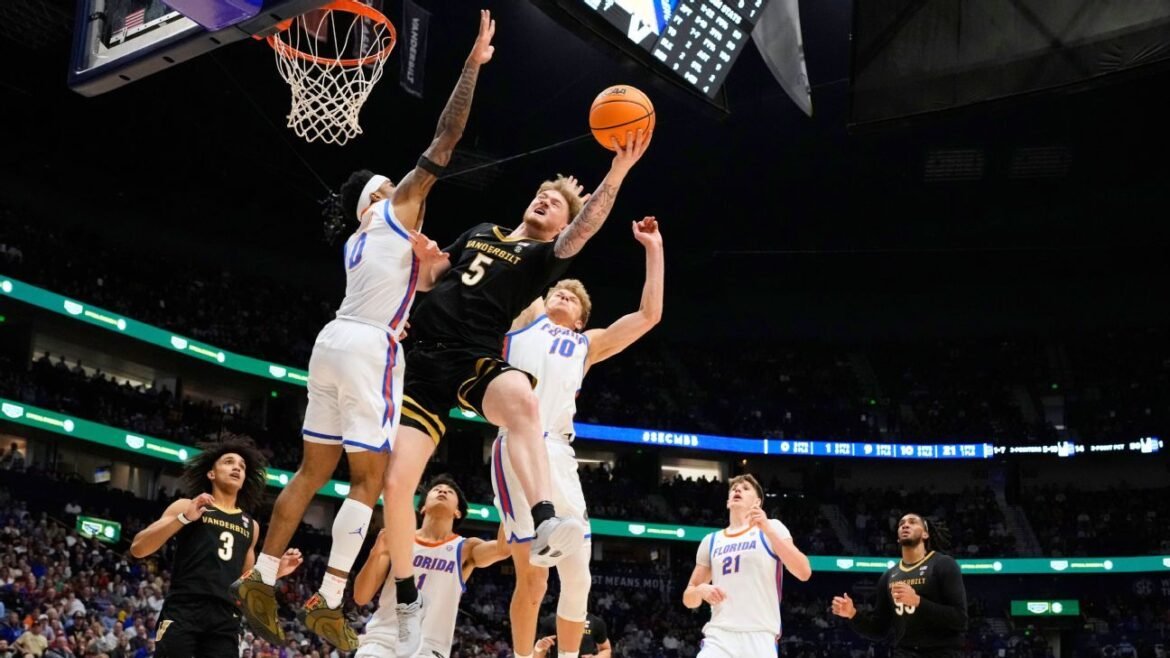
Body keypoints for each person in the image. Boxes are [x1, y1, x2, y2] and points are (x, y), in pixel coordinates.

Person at [230, 9, 497, 652]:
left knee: (308, 472)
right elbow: (447, 137)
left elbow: (420, 281)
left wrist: (430, 266)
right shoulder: (395, 211)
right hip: (371, 346)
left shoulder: (360, 240)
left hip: (330, 343)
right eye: (392, 185)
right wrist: (471, 64)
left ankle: (260, 578)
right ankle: (328, 597)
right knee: (370, 482)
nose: (406, 187)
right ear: (381, 196)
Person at [382, 107, 652, 657]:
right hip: (422, 358)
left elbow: (588, 229)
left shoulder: (541, 262)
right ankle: (406, 596)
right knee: (396, 483)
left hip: (473, 360)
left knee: (523, 401)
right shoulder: (483, 231)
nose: (545, 200)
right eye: (541, 194)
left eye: (556, 203)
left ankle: (546, 519)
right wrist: (423, 267)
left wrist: (616, 172)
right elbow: (435, 279)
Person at [492, 216, 663, 658]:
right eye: (558, 291)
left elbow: (649, 316)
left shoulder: (587, 345)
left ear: (582, 319)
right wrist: (546, 228)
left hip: (560, 454)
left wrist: (654, 248)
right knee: (533, 578)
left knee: (579, 576)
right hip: (518, 443)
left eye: (571, 297)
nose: (562, 295)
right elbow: (519, 264)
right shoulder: (528, 318)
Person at [130, 438, 303, 658]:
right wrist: (184, 518)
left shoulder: (251, 526)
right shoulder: (187, 506)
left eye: (242, 466)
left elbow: (244, 583)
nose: (237, 468)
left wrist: (276, 571)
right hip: (184, 607)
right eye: (229, 462)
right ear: (211, 474)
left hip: (225, 616)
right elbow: (138, 548)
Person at [352, 475, 510, 658]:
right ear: (423, 508)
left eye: (449, 492)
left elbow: (503, 549)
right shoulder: (398, 539)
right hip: (381, 641)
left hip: (428, 648)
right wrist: (375, 553)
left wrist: (509, 499)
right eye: (436, 489)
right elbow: (361, 597)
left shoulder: (465, 548)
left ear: (457, 512)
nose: (442, 491)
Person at [683, 474, 812, 658]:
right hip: (720, 636)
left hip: (759, 635)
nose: (737, 489)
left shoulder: (772, 527)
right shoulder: (711, 541)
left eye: (745, 488)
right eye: (734, 488)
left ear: (757, 502)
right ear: (728, 502)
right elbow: (689, 599)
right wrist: (700, 590)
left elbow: (804, 572)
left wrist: (768, 529)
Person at [831, 513, 968, 658]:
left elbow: (960, 620)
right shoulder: (889, 576)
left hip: (942, 652)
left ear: (925, 534)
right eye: (901, 524)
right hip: (904, 652)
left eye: (912, 522)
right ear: (898, 537)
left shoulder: (943, 564)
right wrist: (853, 614)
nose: (905, 525)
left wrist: (918, 602)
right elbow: (879, 630)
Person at [533, 613, 612, 658]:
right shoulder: (550, 621)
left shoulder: (596, 622)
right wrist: (538, 648)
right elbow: (537, 655)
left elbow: (606, 650)